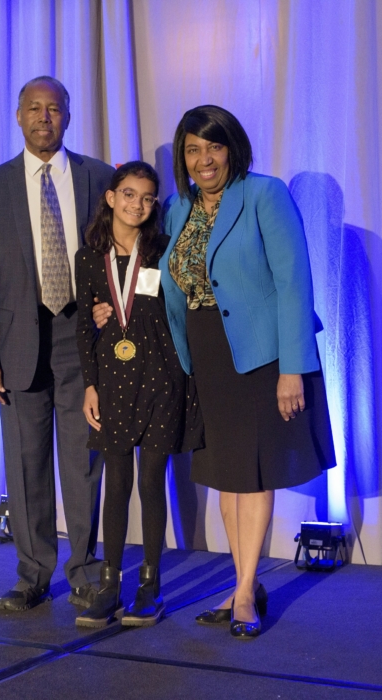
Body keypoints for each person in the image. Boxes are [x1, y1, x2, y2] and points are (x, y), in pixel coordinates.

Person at [92, 105, 336, 638]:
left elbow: (295, 282)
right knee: (227, 475)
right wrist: (103, 307)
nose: (204, 159)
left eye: (214, 147)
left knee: (253, 473)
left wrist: (293, 368)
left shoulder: (265, 194)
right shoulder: (176, 208)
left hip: (259, 357)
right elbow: (147, 273)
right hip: (202, 359)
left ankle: (245, 592)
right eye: (193, 150)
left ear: (233, 148)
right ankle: (242, 581)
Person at [0, 76, 114, 612]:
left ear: (68, 116)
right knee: (26, 461)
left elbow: (119, 257)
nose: (44, 117)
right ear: (18, 116)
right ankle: (32, 574)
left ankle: (85, 572)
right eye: (34, 108)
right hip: (18, 345)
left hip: (83, 340)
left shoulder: (100, 177)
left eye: (53, 108)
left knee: (83, 462)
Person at [73, 161, 201, 628]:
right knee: (116, 484)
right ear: (111, 198)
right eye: (129, 194)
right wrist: (90, 384)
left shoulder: (162, 250)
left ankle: (150, 584)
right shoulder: (89, 258)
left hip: (162, 378)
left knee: (151, 483)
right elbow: (83, 325)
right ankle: (109, 585)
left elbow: (179, 310)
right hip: (112, 381)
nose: (138, 205)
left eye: (147, 198)